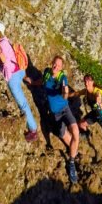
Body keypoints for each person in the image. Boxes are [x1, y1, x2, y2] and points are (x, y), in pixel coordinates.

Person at [27, 55, 80, 183]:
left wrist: (65, 92)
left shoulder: (62, 78)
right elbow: (42, 81)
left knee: (75, 131)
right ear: (52, 63)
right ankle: (74, 150)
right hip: (55, 114)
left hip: (65, 109)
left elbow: (65, 94)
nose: (56, 66)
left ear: (61, 68)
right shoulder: (46, 73)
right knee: (63, 134)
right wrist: (32, 83)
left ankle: (71, 163)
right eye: (55, 63)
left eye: (59, 65)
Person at [0, 22, 39, 142]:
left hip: (13, 76)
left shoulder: (2, 44)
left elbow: (5, 61)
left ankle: (33, 130)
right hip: (19, 71)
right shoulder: (3, 40)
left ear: (1, 33)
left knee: (22, 104)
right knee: (23, 102)